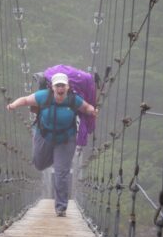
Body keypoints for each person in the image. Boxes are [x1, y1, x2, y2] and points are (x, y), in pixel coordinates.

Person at [7, 73, 97, 217]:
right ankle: (56, 158)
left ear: (67, 87)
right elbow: (25, 100)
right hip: (44, 135)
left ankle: (61, 208)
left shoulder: (73, 99)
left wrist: (92, 110)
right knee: (39, 164)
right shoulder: (44, 96)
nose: (60, 88)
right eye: (57, 85)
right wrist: (13, 105)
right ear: (53, 87)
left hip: (66, 139)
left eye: (63, 85)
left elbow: (86, 108)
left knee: (62, 173)